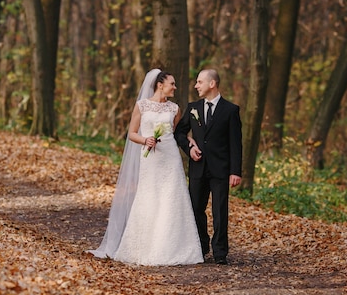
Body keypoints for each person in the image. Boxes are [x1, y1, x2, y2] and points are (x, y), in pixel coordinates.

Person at [87, 69, 203, 266]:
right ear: (160, 84)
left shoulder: (174, 109)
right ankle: (144, 247)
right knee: (149, 197)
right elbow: (131, 133)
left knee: (171, 199)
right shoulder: (142, 106)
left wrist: (190, 141)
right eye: (172, 83)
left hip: (170, 158)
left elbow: (177, 133)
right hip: (150, 159)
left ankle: (172, 248)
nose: (175, 87)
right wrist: (145, 140)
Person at [175, 69, 242, 265]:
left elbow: (236, 143)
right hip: (198, 168)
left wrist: (235, 171)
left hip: (221, 169)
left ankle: (220, 252)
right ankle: (201, 248)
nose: (196, 86)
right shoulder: (193, 107)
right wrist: (190, 146)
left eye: (199, 82)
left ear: (212, 84)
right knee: (196, 209)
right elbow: (180, 133)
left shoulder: (231, 110)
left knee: (220, 211)